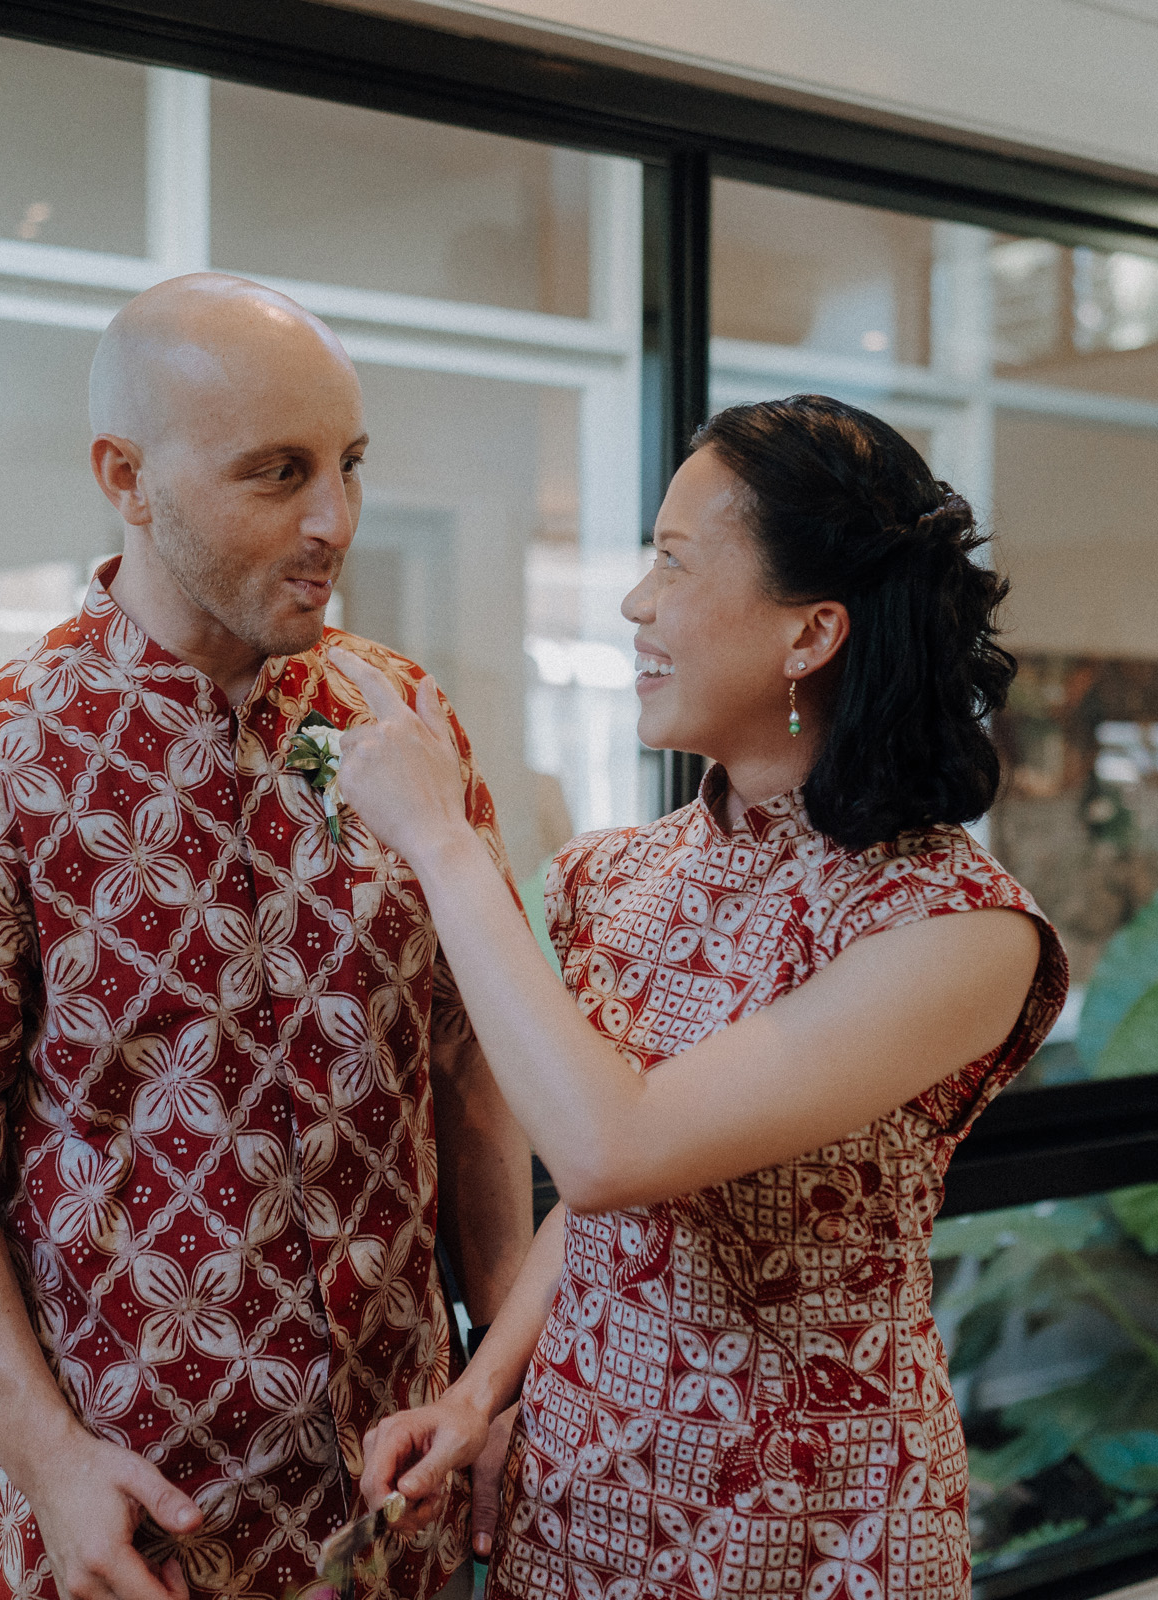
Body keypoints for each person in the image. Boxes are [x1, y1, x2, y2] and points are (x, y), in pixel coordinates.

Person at [0, 274, 533, 1600]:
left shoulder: (405, 721)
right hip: (138, 1533)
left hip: (407, 1517)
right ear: (126, 476)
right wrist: (42, 1457)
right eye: (276, 474)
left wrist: (501, 1361)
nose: (334, 521)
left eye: (348, 466)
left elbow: (467, 1064)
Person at [331, 393, 1070, 1600]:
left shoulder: (954, 927)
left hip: (810, 1526)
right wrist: (480, 1395)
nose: (635, 604)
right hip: (577, 1499)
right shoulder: (610, 876)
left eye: (673, 562)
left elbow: (616, 1149)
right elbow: (606, 1215)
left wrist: (446, 843)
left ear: (810, 633)